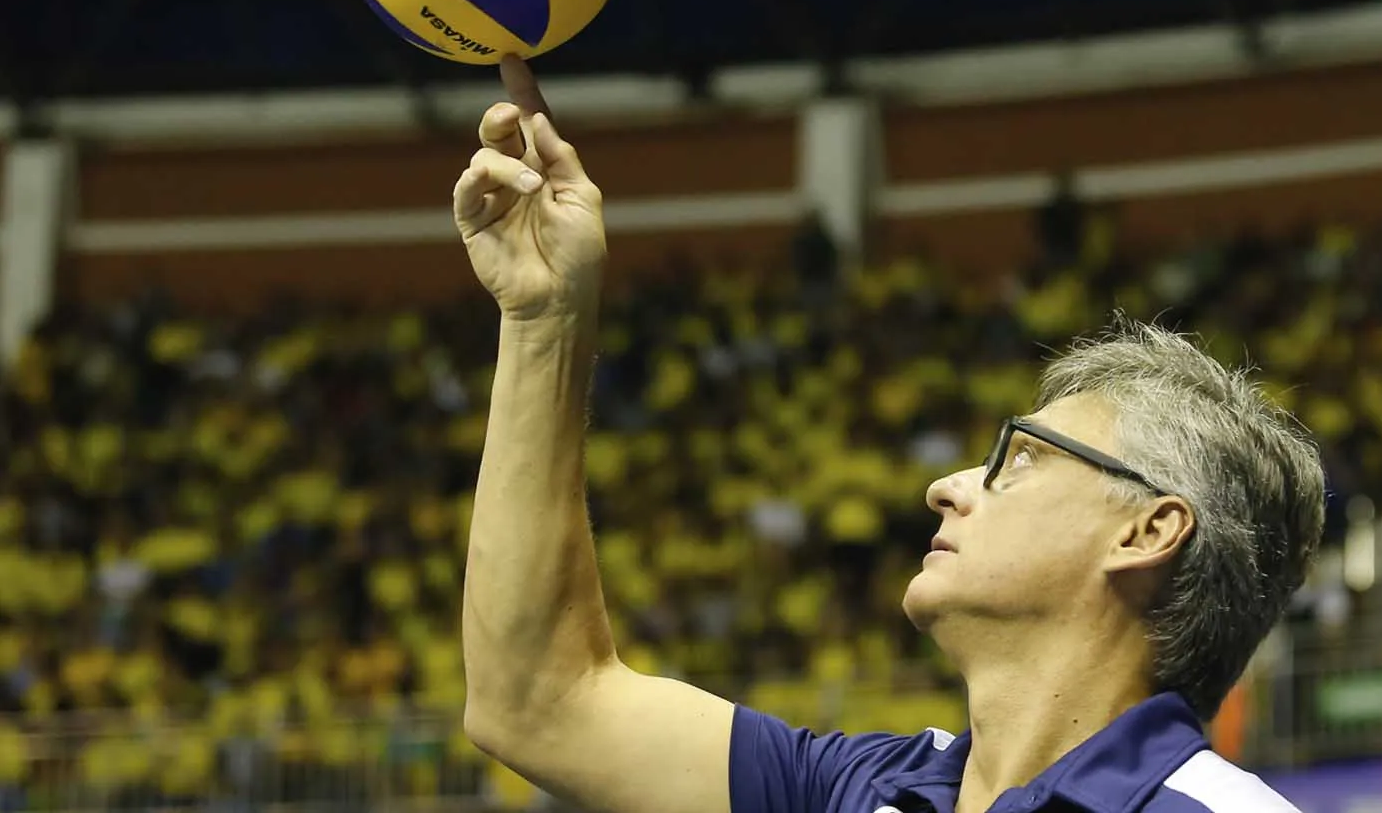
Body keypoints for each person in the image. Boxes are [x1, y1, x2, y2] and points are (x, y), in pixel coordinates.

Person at [454, 58, 1326, 813]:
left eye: (1019, 459)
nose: (948, 486)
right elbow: (538, 699)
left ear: (1146, 531)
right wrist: (543, 320)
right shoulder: (858, 790)